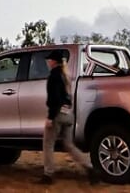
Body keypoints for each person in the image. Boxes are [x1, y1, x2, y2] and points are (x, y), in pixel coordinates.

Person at [39, 49, 96, 185]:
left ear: (54, 61)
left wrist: (50, 117)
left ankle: (48, 174)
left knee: (48, 144)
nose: (48, 61)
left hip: (57, 114)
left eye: (50, 59)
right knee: (69, 145)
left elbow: (54, 99)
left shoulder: (54, 76)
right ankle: (89, 167)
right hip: (68, 114)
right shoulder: (65, 76)